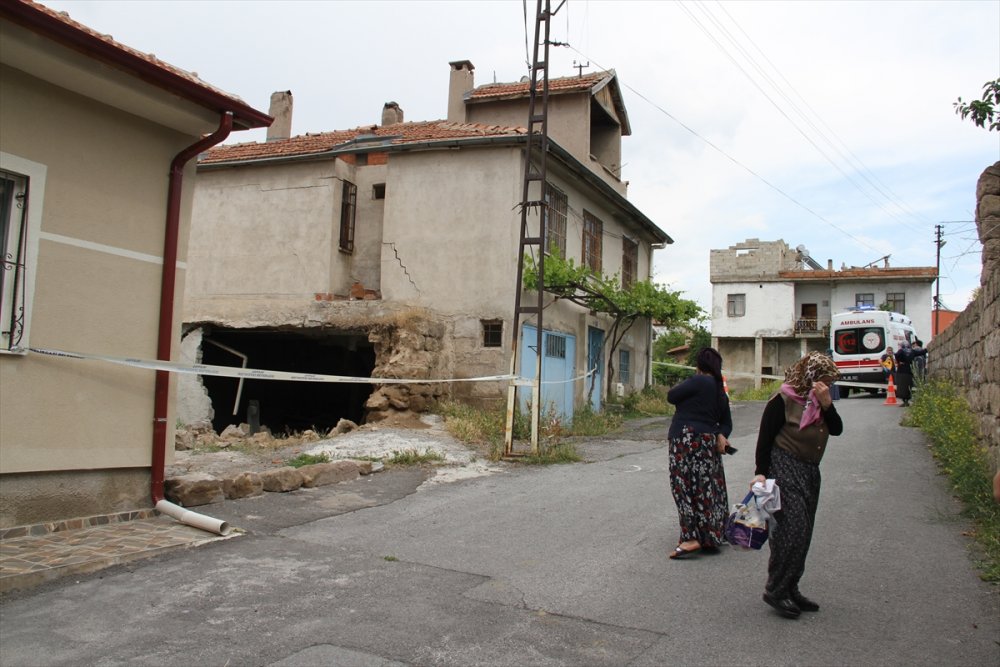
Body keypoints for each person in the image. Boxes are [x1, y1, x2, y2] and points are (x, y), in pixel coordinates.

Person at [751, 352, 843, 619]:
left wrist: (827, 405)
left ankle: (791, 587)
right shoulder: (783, 400)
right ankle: (776, 589)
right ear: (811, 377)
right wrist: (760, 473)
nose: (828, 386)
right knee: (792, 530)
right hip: (784, 467)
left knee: (805, 532)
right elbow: (765, 438)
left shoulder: (820, 402)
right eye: (825, 380)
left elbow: (836, 429)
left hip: (809, 472)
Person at [666, 347, 733, 559]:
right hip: (707, 442)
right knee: (705, 487)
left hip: (685, 439)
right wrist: (721, 434)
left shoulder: (698, 380)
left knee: (682, 486)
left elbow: (671, 396)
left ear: (700, 365)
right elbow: (727, 422)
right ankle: (710, 535)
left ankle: (690, 537)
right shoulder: (719, 388)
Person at [894, 341, 928, 407]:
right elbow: (922, 352)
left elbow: (896, 355)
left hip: (902, 370)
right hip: (909, 370)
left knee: (902, 386)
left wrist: (899, 361)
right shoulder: (912, 351)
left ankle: (905, 401)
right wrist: (926, 349)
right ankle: (907, 400)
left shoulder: (901, 351)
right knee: (908, 386)